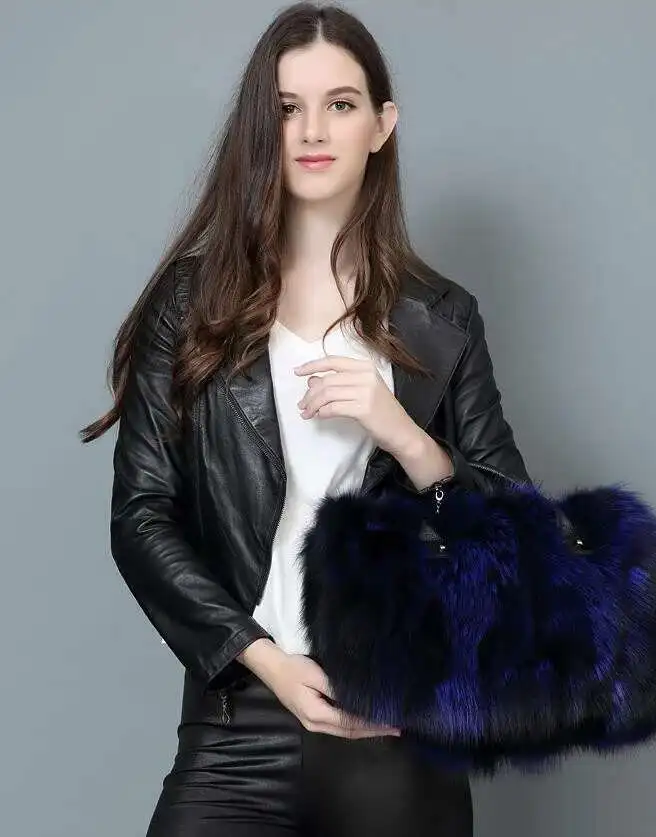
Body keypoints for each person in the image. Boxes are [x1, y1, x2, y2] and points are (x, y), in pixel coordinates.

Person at [80, 3, 530, 835]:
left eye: (341, 104)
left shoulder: (444, 319)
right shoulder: (191, 303)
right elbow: (140, 516)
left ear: (382, 125)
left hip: (397, 729)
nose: (313, 130)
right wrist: (264, 660)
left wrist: (406, 436)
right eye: (287, 108)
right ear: (262, 127)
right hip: (236, 719)